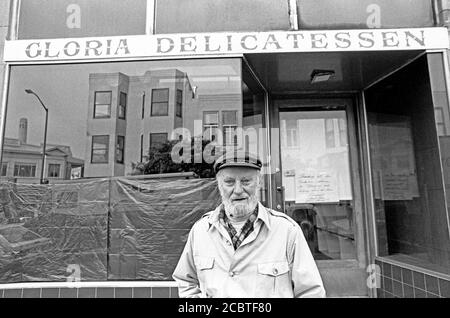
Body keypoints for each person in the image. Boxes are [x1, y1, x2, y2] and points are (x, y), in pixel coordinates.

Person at [172, 152, 326, 298]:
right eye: (229, 182)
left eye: (246, 181)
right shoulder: (200, 231)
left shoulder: (286, 231)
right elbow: (187, 282)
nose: (238, 190)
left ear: (258, 183)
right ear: (219, 186)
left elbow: (311, 292)